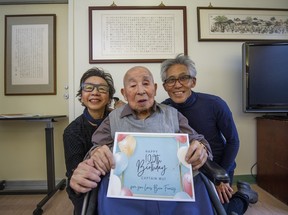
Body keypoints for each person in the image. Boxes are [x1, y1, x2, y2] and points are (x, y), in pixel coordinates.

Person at [84, 66, 226, 215]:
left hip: (174, 190)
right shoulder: (113, 119)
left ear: (155, 88)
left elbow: (197, 141)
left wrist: (200, 148)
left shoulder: (172, 114)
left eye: (146, 83)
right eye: (133, 86)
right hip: (126, 195)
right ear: (124, 93)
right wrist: (97, 152)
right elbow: (97, 146)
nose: (140, 90)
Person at [160, 54, 258, 214]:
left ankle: (244, 194)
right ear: (165, 86)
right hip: (186, 170)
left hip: (218, 167)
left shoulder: (215, 104)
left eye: (183, 78)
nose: (177, 85)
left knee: (220, 212)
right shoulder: (163, 110)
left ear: (193, 81)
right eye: (171, 80)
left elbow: (233, 141)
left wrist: (222, 177)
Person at [63, 67, 123, 215]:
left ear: (109, 97)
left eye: (102, 89)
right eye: (89, 88)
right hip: (91, 186)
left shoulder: (119, 119)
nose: (95, 92)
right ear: (81, 95)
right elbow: (75, 174)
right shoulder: (72, 131)